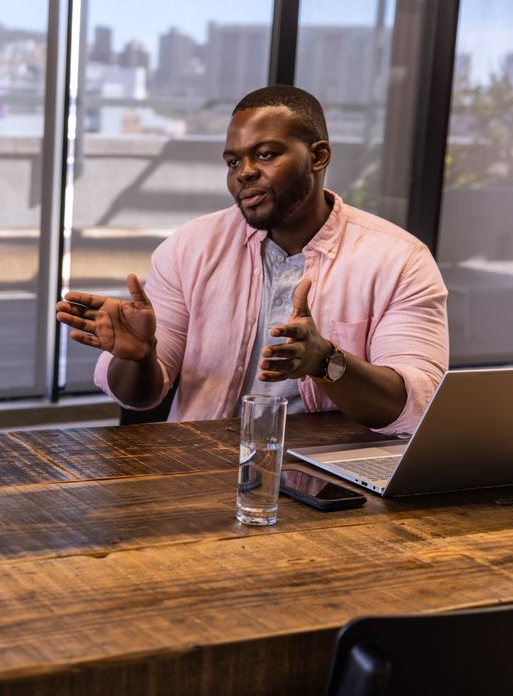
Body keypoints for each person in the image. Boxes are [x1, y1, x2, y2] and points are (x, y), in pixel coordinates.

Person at [56, 85, 448, 437]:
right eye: (232, 161)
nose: (244, 173)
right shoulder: (190, 248)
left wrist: (326, 362)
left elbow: (419, 406)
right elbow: (139, 397)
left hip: (335, 490)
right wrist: (140, 357)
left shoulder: (400, 260)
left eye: (265, 154)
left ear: (318, 156)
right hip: (196, 475)